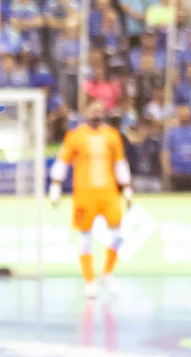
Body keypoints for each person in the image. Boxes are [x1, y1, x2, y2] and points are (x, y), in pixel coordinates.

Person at [48, 101, 133, 300]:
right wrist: (55, 185)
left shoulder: (112, 136)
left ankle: (107, 273)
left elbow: (120, 162)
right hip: (85, 193)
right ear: (86, 112)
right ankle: (89, 280)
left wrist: (127, 187)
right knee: (85, 237)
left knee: (118, 234)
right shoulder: (75, 136)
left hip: (109, 191)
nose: (97, 113)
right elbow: (63, 161)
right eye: (93, 110)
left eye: (100, 110)